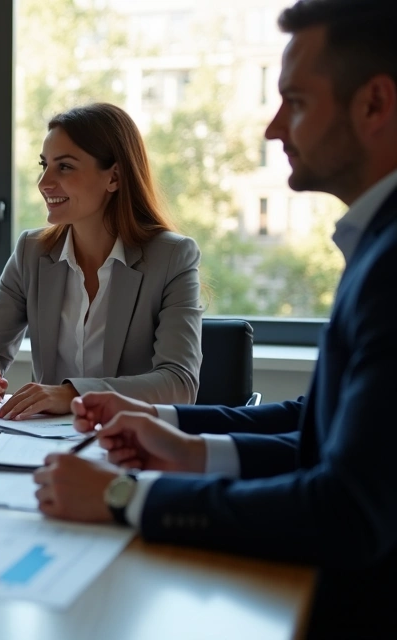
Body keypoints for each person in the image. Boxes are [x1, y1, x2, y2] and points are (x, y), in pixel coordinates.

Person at [32, 1, 397, 635]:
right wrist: (182, 438)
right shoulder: (378, 243)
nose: (273, 127)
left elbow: (348, 510)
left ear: (373, 105)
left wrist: (124, 496)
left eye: (297, 101)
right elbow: (318, 424)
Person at [0, 103, 202, 419]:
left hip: (129, 441)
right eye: (44, 165)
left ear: (114, 177)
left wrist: (72, 394)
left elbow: (179, 384)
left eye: (65, 167)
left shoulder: (172, 257)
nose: (44, 182)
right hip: (40, 441)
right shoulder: (32, 251)